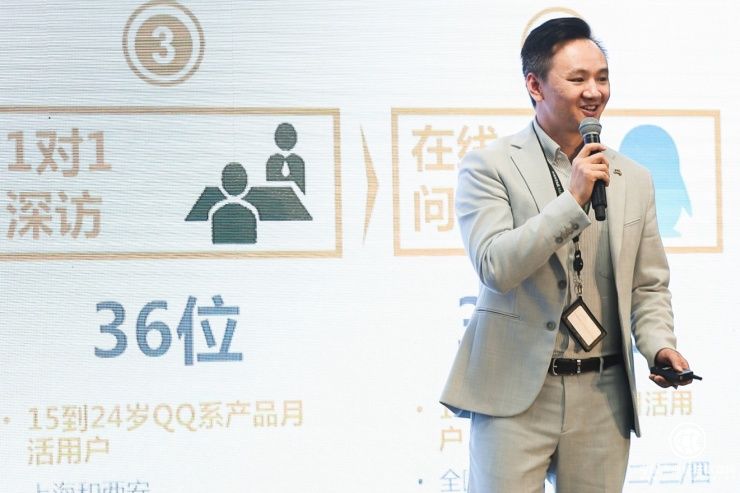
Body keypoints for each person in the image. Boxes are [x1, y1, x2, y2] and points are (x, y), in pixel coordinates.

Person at [440, 17, 694, 492]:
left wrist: (659, 345)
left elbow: (647, 284)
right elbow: (496, 265)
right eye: (577, 79)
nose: (594, 92)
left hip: (603, 393)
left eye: (602, 78)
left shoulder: (634, 178)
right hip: (514, 393)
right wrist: (572, 199)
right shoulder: (490, 166)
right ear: (534, 85)